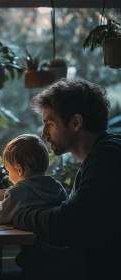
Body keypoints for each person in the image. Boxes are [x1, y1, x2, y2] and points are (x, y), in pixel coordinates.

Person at [13, 78, 121, 280]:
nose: (44, 133)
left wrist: (19, 214)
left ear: (76, 123)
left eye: (49, 124)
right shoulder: (100, 155)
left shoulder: (107, 158)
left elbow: (65, 224)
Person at [0, 134, 87, 280]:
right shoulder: (56, 186)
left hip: (38, 258)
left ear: (19, 169)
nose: (9, 176)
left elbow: (2, 216)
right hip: (64, 255)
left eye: (9, 171)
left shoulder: (19, 191)